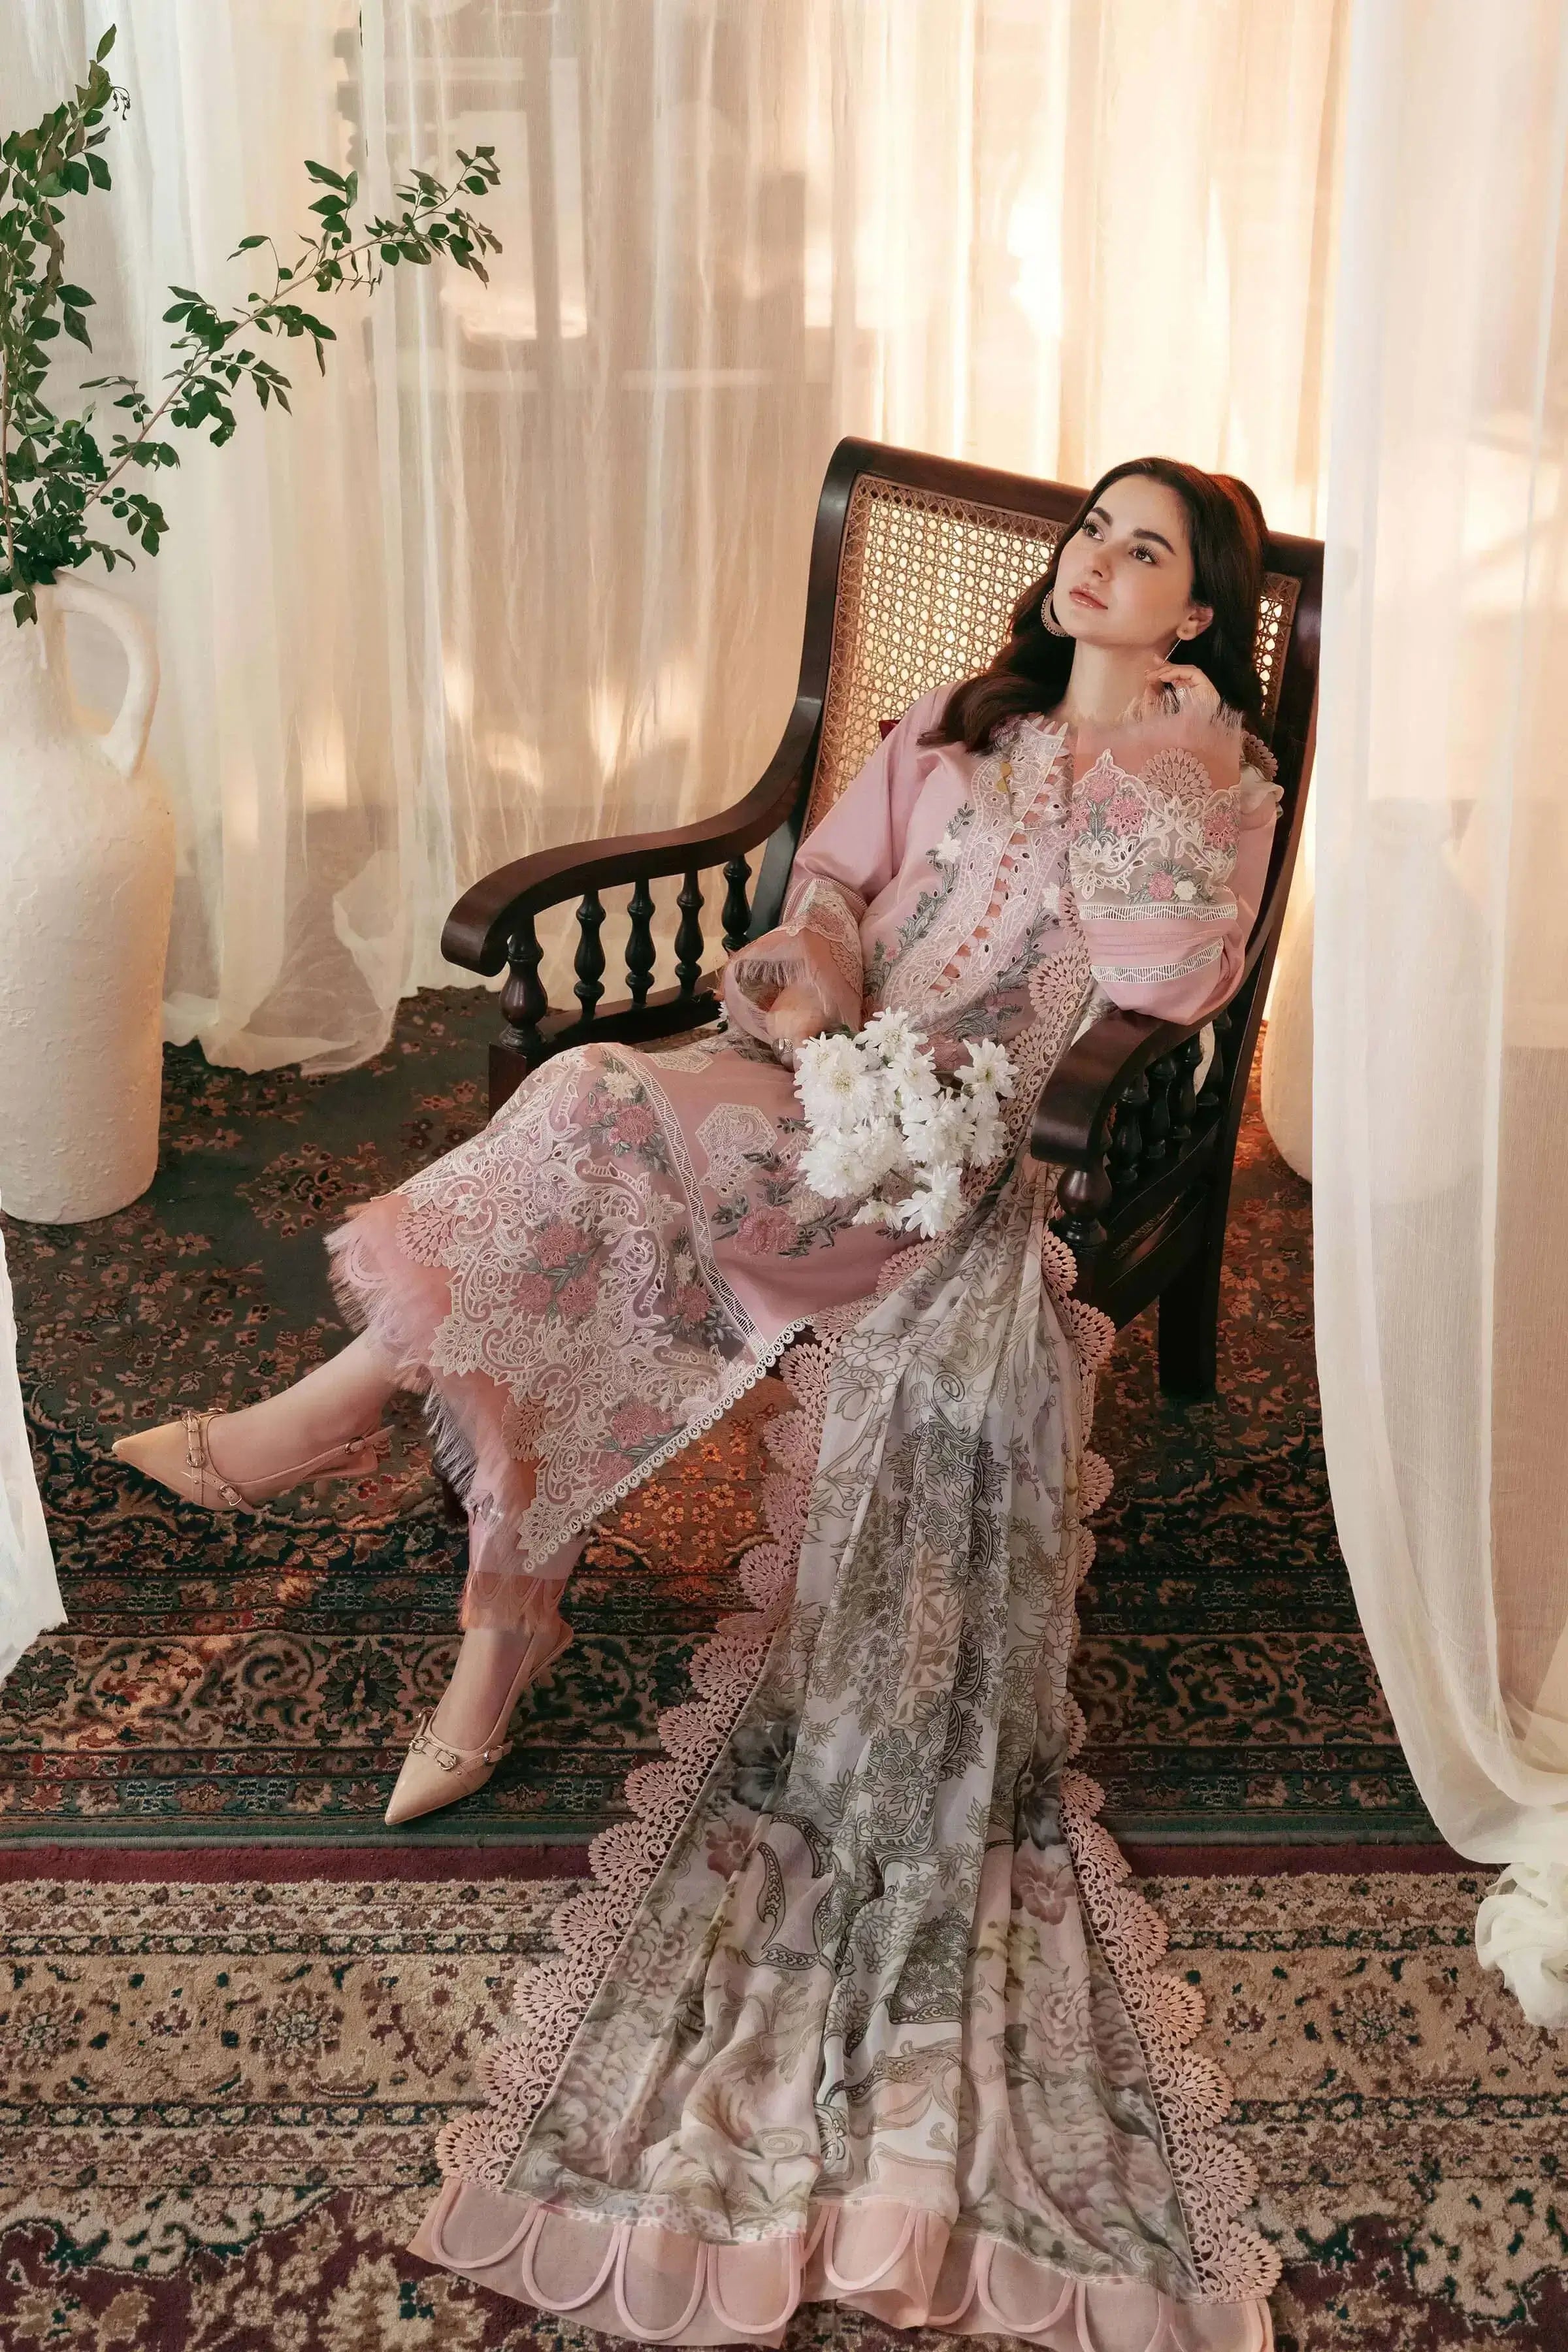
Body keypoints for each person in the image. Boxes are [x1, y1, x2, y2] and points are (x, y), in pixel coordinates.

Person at [115, 457, 1284, 2345]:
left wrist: (1158, 758)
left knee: (588, 1141)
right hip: (806, 1089)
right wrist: (811, 975)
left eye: (1143, 551)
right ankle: (489, 1584)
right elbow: (826, 887)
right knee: (589, 1128)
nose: (1095, 562)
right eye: (1092, 529)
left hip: (939, 1168)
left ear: (1198, 614)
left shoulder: (1204, 786)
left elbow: (1172, 981)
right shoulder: (958, 726)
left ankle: (368, 1471)